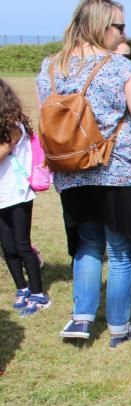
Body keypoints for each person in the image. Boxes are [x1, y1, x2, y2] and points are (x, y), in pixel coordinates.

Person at [37, 0, 131, 347]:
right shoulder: (121, 68)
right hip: (117, 172)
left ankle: (81, 320)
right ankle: (119, 329)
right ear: (99, 26)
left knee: (88, 245)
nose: (124, 32)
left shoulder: (50, 67)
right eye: (120, 26)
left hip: (71, 173)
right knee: (121, 252)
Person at [0, 80, 48, 316]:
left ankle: (39, 293)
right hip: (1, 196)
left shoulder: (14, 128)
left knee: (22, 245)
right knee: (7, 247)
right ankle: (22, 288)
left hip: (18, 194)